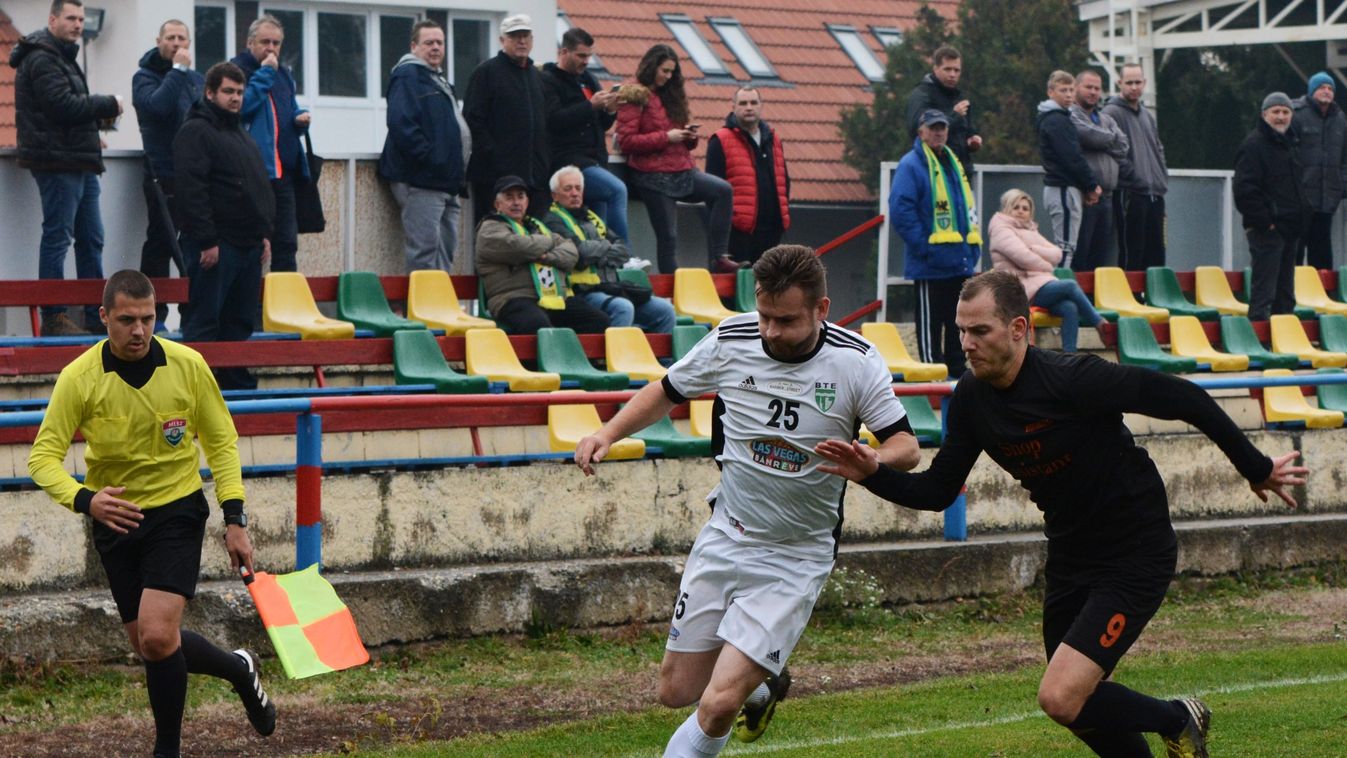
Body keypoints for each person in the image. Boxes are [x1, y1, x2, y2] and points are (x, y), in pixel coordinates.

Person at [814, 269, 1307, 758]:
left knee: (1060, 696)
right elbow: (938, 491)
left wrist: (1256, 466)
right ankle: (1173, 725)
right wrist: (869, 472)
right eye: (962, 330)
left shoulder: (1073, 379)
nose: (966, 343)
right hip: (1071, 555)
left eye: (980, 330)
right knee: (1078, 706)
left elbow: (1184, 398)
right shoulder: (970, 399)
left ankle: (1178, 718)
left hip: (1135, 549)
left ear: (1018, 329)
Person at [574, 245, 920, 757]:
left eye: (787, 320)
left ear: (821, 310)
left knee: (715, 707)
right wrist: (608, 432)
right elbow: (667, 391)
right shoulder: (731, 340)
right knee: (676, 692)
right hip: (727, 533)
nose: (771, 331)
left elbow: (906, 448)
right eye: (764, 316)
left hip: (796, 554)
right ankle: (762, 683)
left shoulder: (854, 361)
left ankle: (743, 683)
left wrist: (873, 462)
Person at [28, 270, 278, 758]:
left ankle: (167, 750)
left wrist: (235, 518)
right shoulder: (79, 377)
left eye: (148, 318)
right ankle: (237, 667)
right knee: (148, 644)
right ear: (104, 317)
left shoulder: (188, 365)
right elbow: (42, 459)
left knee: (159, 636)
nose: (139, 330)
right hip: (115, 519)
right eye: (126, 320)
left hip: (177, 511)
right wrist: (87, 499)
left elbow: (222, 441)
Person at [9, 0, 122, 336]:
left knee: (91, 239)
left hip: (77, 159)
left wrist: (91, 137)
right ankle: (55, 317)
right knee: (60, 237)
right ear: (52, 19)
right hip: (57, 161)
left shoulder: (59, 56)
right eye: (70, 18)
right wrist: (109, 104)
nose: (77, 24)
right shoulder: (43, 57)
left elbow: (65, 112)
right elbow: (62, 106)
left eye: (81, 19)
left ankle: (93, 314)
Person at [173, 62, 275, 390]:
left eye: (240, 92)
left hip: (248, 244)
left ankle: (236, 386)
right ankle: (193, 388)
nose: (235, 98)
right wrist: (206, 240)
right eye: (228, 92)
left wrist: (263, 234)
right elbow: (192, 190)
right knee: (204, 320)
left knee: (240, 321)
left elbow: (255, 187)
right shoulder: (196, 131)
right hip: (216, 246)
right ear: (210, 92)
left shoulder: (240, 134)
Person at [616, 44, 734, 274]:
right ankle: (674, 288)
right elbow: (627, 141)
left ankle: (720, 256)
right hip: (651, 175)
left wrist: (689, 136)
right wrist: (666, 138)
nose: (668, 77)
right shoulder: (634, 95)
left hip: (682, 168)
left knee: (723, 191)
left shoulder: (673, 97)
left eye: (672, 72)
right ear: (652, 68)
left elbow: (683, 142)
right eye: (664, 71)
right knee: (668, 236)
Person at [889, 109, 981, 378]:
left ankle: (956, 371)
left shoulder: (952, 162)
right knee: (931, 325)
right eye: (932, 128)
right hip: (929, 264)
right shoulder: (911, 164)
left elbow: (964, 209)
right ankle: (933, 374)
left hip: (958, 261)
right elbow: (901, 210)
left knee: (958, 322)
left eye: (942, 127)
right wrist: (925, 249)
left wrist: (971, 250)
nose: (938, 132)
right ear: (921, 132)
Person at [378, 19, 469, 275]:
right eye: (429, 43)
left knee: (446, 251)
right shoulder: (408, 75)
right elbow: (401, 124)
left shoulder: (437, 79)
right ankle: (421, 310)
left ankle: (439, 308)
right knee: (425, 252)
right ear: (414, 46)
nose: (436, 48)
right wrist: (433, 160)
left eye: (439, 42)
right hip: (421, 180)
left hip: (446, 181)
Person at [543, 166, 676, 332]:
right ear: (554, 195)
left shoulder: (592, 218)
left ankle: (664, 359)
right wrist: (607, 248)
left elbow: (623, 249)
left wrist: (598, 252)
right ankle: (614, 358)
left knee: (665, 310)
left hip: (610, 287)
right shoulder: (551, 220)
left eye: (578, 188)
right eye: (568, 189)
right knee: (623, 308)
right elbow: (580, 254)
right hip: (581, 292)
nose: (575, 193)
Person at [133, 18, 204, 327]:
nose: (177, 43)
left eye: (183, 39)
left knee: (196, 242)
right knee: (161, 243)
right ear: (158, 40)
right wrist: (176, 72)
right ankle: (154, 314)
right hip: (162, 173)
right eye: (171, 37)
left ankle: (192, 312)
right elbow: (158, 108)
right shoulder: (144, 77)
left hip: (194, 174)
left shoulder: (195, 79)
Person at [476, 174, 609, 335]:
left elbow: (572, 252)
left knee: (598, 320)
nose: (516, 202)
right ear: (498, 204)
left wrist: (549, 257)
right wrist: (550, 242)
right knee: (538, 325)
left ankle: (582, 361)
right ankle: (539, 361)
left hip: (552, 297)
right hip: (513, 298)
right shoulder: (490, 228)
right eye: (509, 197)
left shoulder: (535, 225)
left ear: (527, 202)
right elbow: (519, 247)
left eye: (521, 196)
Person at [230, 14, 311, 273]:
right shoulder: (236, 71)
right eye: (265, 41)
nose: (271, 48)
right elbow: (243, 108)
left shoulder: (284, 74)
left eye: (276, 43)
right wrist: (265, 73)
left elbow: (289, 110)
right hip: (253, 173)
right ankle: (251, 309)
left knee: (287, 243)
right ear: (250, 42)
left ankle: (284, 307)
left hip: (284, 172)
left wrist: (300, 120)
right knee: (254, 244)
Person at [988, 189, 1103, 353]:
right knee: (1069, 286)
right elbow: (1023, 257)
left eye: (1025, 208)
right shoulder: (1001, 229)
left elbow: (1057, 254)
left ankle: (1069, 357)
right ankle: (1098, 323)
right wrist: (1047, 266)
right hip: (1020, 289)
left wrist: (1033, 248)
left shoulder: (1030, 230)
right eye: (1016, 207)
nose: (1021, 211)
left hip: (1039, 285)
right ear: (1007, 209)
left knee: (1069, 307)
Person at [541, 27, 628, 242]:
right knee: (617, 190)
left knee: (596, 224)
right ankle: (625, 253)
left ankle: (606, 263)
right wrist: (590, 106)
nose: (586, 61)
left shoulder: (589, 79)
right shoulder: (548, 80)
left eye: (589, 56)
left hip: (595, 159)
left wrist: (610, 109)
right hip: (570, 161)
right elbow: (554, 120)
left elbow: (600, 124)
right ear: (563, 52)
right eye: (581, 55)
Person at [464, 14, 550, 226]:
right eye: (514, 37)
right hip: (495, 179)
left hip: (534, 180)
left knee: (532, 241)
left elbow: (546, 123)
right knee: (496, 240)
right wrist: (496, 156)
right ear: (502, 40)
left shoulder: (537, 76)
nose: (521, 41)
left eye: (525, 36)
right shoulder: (486, 73)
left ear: (532, 40)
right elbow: (473, 121)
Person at [1235, 92, 1310, 322]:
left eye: (1285, 112)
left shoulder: (1291, 145)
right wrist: (1265, 222)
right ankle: (1259, 345)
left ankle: (1283, 346)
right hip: (1266, 231)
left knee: (1285, 295)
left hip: (1289, 229)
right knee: (1263, 294)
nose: (1281, 117)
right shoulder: (1253, 145)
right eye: (1275, 112)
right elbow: (1244, 190)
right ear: (1264, 114)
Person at [705, 86, 791, 266]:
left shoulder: (773, 139)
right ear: (734, 107)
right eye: (743, 103)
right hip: (737, 232)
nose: (749, 107)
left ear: (761, 106)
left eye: (754, 102)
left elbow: (784, 180)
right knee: (735, 288)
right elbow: (711, 191)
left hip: (771, 230)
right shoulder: (720, 140)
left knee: (765, 288)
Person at [1104, 63, 1169, 271]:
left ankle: (1153, 298)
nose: (1134, 87)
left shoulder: (1146, 116)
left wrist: (1161, 176)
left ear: (1145, 83)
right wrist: (1134, 177)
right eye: (1129, 82)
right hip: (1130, 193)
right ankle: (1131, 299)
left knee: (1157, 251)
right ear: (1119, 83)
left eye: (1138, 82)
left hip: (1154, 193)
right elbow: (1113, 149)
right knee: (1132, 251)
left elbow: (1158, 148)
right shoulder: (1111, 113)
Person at [1037, 70, 1101, 268]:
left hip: (1063, 187)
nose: (1068, 95)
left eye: (1071, 90)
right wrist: (1091, 185)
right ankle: (1056, 292)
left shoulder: (1057, 117)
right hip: (1063, 188)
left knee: (1067, 246)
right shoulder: (1057, 120)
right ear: (1050, 92)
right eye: (1063, 90)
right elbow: (1071, 157)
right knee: (1065, 248)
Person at [1070, 69, 1131, 272]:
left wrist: (1101, 140)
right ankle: (1078, 299)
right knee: (1081, 254)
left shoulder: (1105, 119)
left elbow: (1124, 146)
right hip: (1085, 195)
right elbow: (1087, 135)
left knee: (1100, 256)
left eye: (1097, 88)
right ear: (1076, 87)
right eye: (1088, 87)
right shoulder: (1071, 114)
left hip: (1108, 197)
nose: (1094, 92)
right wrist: (1106, 139)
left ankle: (1094, 301)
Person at [1291, 72, 1347, 270]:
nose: (1327, 91)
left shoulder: (1340, 119)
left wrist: (1341, 187)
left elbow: (1343, 159)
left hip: (1326, 201)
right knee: (1295, 252)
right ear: (1312, 91)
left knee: (1322, 256)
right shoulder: (1296, 114)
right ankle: (1291, 296)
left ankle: (1324, 298)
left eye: (1330, 88)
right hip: (1300, 199)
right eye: (1322, 87)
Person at [904, 45, 982, 175]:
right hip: (933, 171)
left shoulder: (960, 97)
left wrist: (972, 141)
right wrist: (954, 116)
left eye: (957, 70)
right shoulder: (922, 95)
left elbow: (966, 132)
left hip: (960, 172)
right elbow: (916, 128)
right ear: (935, 69)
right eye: (947, 69)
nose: (952, 74)